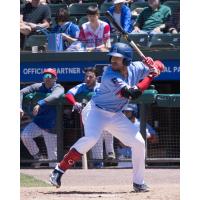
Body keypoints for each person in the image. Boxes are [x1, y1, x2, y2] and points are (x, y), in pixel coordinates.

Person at [49, 42, 164, 192]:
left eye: (118, 58)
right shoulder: (110, 74)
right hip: (95, 111)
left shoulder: (137, 67)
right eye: (112, 57)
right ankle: (58, 170)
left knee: (139, 142)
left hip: (115, 114)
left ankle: (138, 183)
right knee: (91, 138)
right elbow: (131, 93)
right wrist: (150, 76)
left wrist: (154, 65)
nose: (113, 61)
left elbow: (161, 65)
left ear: (127, 60)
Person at [65, 68, 115, 168]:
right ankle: (98, 166)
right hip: (92, 118)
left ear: (96, 78)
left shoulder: (102, 86)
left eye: (90, 77)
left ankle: (110, 153)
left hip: (103, 115)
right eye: (86, 77)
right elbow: (68, 94)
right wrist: (75, 103)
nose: (87, 79)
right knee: (96, 143)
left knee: (108, 129)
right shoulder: (82, 86)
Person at [20, 68, 64, 167]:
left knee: (53, 160)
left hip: (52, 127)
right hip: (38, 123)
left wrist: (40, 103)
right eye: (45, 76)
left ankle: (53, 178)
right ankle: (37, 156)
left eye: (50, 76)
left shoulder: (58, 87)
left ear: (55, 78)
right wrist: (19, 107)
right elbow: (21, 92)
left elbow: (56, 96)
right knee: (25, 135)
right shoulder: (38, 86)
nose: (48, 78)